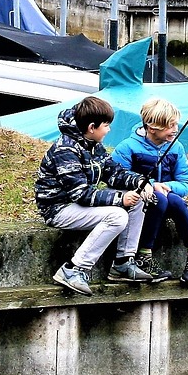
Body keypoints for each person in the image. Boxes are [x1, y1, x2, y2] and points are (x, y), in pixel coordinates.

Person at [35, 95, 155, 296]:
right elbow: (81, 194)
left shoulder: (93, 145)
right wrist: (119, 199)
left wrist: (140, 182)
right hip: (58, 209)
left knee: (137, 198)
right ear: (92, 127)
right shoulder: (65, 150)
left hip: (77, 204)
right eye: (106, 125)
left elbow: (113, 173)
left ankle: (123, 263)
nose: (108, 130)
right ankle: (73, 269)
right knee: (117, 216)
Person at [111, 97, 188, 286]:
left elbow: (186, 183)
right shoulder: (127, 148)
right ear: (152, 128)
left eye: (176, 124)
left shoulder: (176, 147)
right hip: (144, 201)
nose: (175, 130)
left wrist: (168, 187)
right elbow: (119, 176)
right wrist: (153, 185)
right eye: (170, 126)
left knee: (175, 201)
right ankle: (144, 256)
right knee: (159, 199)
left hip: (168, 198)